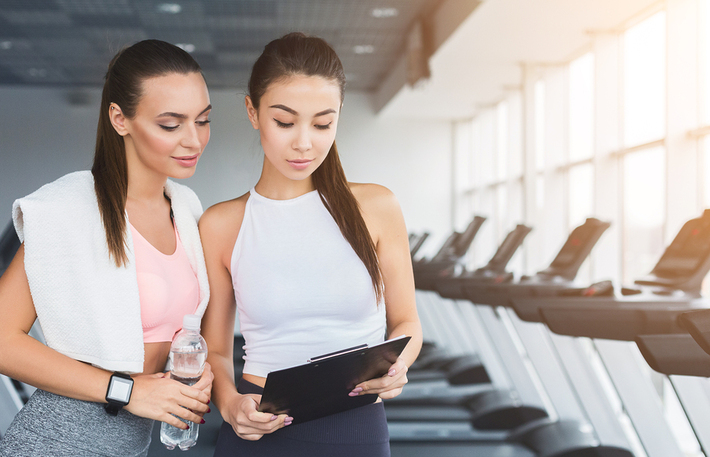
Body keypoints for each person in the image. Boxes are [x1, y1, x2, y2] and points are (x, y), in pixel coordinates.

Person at [199, 32, 423, 456]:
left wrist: (400, 366)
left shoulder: (376, 206)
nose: (304, 142)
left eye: (323, 123)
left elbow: (408, 322)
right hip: (261, 427)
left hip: (356, 426)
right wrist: (229, 405)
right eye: (285, 122)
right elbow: (216, 350)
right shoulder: (221, 223)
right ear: (252, 110)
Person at [0, 39, 214, 457]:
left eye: (203, 120)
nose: (194, 140)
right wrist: (125, 389)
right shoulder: (68, 208)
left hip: (132, 443)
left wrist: (193, 373)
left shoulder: (186, 208)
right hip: (59, 441)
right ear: (120, 118)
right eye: (171, 124)